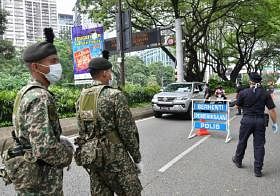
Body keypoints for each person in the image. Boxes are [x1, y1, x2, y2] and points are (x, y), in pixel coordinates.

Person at [1, 28, 73, 195]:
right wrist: (67, 154)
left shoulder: (25, 92)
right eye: (53, 61)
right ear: (35, 66)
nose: (58, 66)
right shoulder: (40, 96)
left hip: (30, 178)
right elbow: (44, 148)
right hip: (43, 182)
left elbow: (29, 134)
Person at [75, 57, 142, 195]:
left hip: (93, 157)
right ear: (104, 73)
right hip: (115, 156)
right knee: (132, 191)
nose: (111, 75)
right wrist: (136, 157)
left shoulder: (81, 98)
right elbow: (127, 130)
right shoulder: (114, 95)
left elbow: (82, 131)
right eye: (110, 72)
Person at [232, 72, 278, 177]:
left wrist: (242, 104)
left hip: (247, 120)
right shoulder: (265, 93)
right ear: (260, 82)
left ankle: (238, 160)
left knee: (242, 141)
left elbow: (237, 106)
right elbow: (271, 110)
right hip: (260, 121)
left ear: (250, 81)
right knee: (259, 145)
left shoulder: (244, 92)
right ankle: (258, 170)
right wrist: (275, 123)